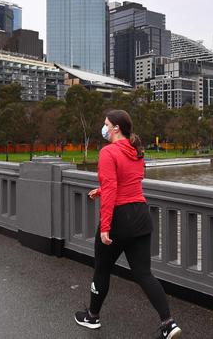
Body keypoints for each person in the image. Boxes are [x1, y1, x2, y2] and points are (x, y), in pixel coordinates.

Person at [74, 110, 182, 339]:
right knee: (144, 274)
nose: (103, 128)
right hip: (141, 215)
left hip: (119, 218)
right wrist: (101, 190)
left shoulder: (108, 152)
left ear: (116, 128)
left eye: (105, 124)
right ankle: (169, 323)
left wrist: (105, 227)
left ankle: (92, 317)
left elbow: (113, 188)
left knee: (102, 268)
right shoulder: (136, 151)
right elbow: (129, 181)